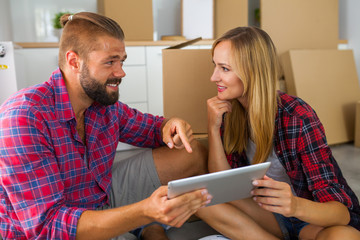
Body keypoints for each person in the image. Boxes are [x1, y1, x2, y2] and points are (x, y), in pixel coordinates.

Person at [0, 12, 212, 240]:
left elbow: (152, 129)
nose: (121, 72)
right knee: (147, 226)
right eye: (110, 62)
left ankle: (149, 227)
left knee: (191, 152)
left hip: (98, 198)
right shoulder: (24, 116)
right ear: (74, 62)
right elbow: (49, 228)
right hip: (56, 226)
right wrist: (143, 213)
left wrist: (170, 125)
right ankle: (149, 226)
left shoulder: (103, 105)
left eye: (122, 61)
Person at [196, 26, 360, 240]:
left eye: (224, 68)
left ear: (252, 72)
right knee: (197, 199)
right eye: (215, 66)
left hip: (310, 217)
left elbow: (341, 213)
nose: (213, 77)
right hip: (269, 215)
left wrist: (294, 205)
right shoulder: (229, 111)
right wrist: (213, 127)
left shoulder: (298, 117)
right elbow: (223, 183)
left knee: (344, 236)